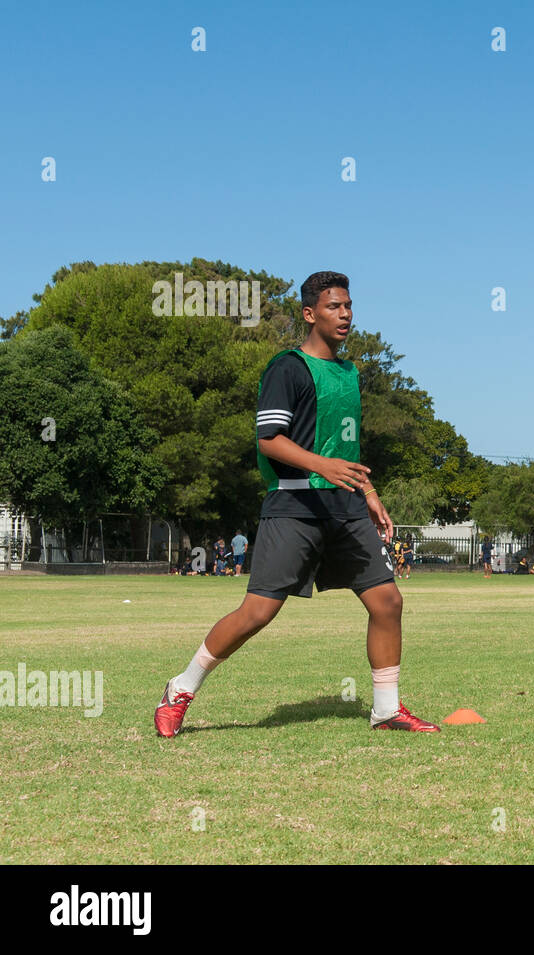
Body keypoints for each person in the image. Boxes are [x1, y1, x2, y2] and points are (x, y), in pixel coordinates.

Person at [153, 271, 438, 736]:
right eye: (333, 307)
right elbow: (269, 441)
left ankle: (386, 709)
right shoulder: (286, 368)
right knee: (257, 613)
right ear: (309, 314)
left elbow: (345, 447)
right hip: (294, 506)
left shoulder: (349, 374)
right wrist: (321, 466)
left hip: (345, 507)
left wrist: (367, 491)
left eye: (348, 306)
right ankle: (180, 688)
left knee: (388, 602)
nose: (345, 314)